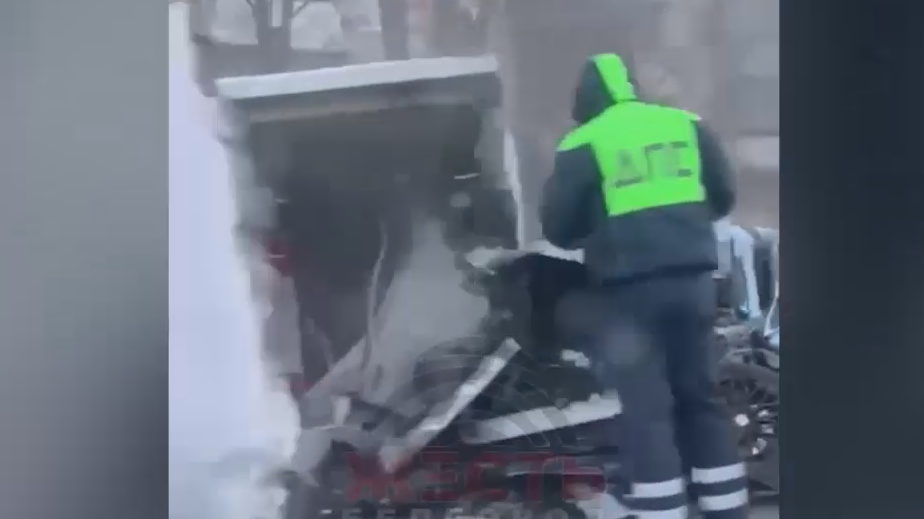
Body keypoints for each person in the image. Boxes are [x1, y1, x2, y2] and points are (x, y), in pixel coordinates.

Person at [540, 53, 746, 519]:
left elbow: (559, 227)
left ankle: (662, 511)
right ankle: (727, 508)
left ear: (585, 100)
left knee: (647, 408)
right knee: (700, 397)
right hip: (694, 284)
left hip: (628, 295)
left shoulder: (584, 140)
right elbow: (723, 194)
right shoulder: (685, 123)